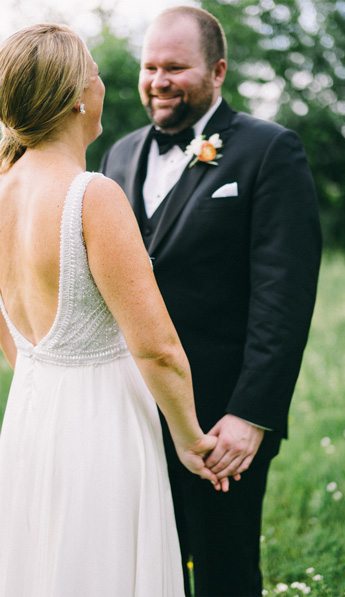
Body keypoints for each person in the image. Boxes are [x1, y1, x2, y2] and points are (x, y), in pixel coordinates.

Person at [101, 6, 322, 596]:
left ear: (218, 70)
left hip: (221, 423)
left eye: (175, 66)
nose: (158, 80)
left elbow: (285, 295)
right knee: (146, 569)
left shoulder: (270, 151)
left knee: (224, 573)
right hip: (128, 410)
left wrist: (251, 416)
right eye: (150, 66)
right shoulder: (118, 157)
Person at [0, 23, 222, 596]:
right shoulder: (91, 196)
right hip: (100, 428)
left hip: (29, 417)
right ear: (77, 95)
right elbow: (159, 350)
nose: (103, 84)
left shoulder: (2, 189)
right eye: (96, 73)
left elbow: (9, 337)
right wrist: (190, 440)